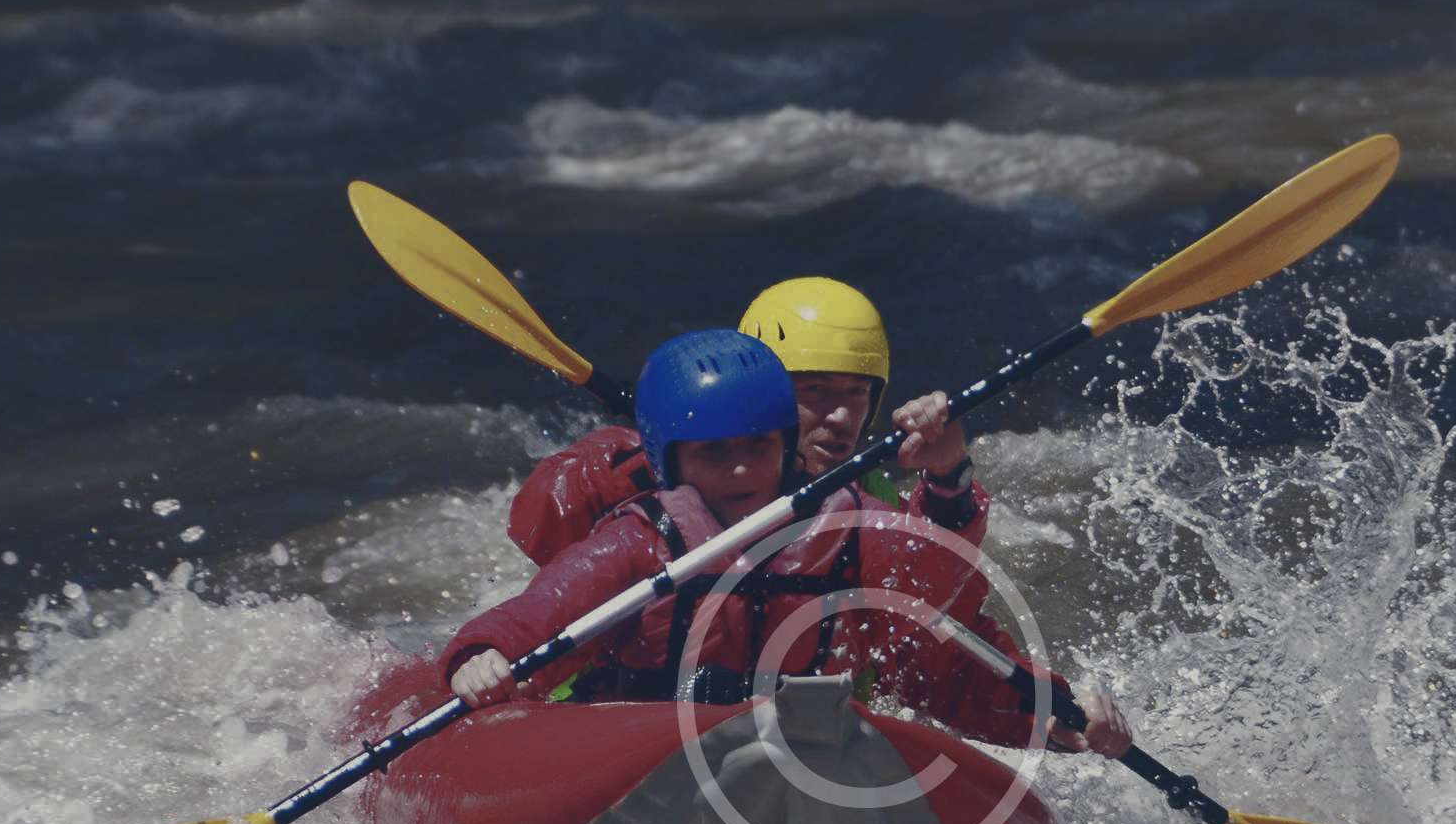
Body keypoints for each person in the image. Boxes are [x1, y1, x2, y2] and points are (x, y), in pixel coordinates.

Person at [449, 330, 1130, 757]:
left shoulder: (846, 531)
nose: (740, 471)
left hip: (798, 754)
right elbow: (536, 617)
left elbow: (941, 623)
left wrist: (1050, 714)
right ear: (668, 461)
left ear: (784, 446)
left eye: (758, 447)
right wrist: (482, 657)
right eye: (714, 454)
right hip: (643, 755)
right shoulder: (638, 541)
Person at [506, 279, 980, 567]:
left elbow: (938, 585)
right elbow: (535, 530)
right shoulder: (662, 462)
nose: (840, 416)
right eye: (815, 390)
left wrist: (948, 474)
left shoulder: (863, 491)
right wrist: (644, 467)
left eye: (857, 392)